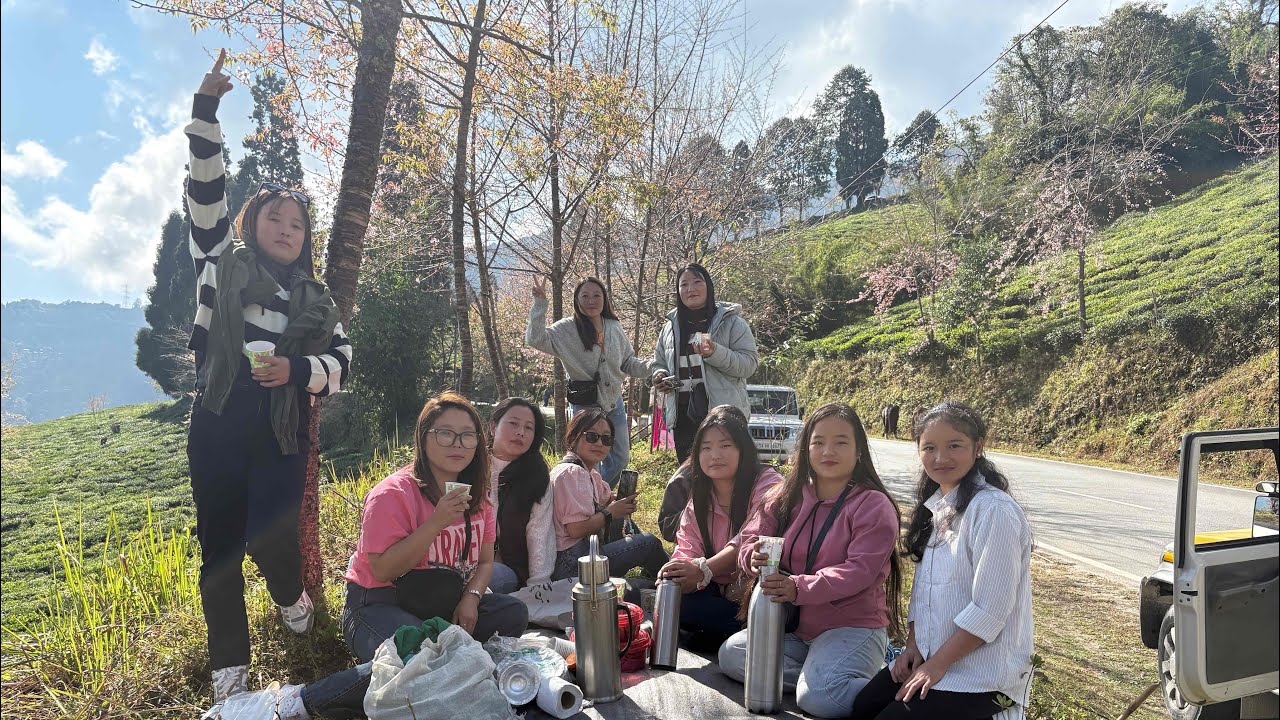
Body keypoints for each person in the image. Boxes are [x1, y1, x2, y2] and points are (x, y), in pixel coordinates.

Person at [184, 50, 353, 704]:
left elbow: (342, 362)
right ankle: (229, 664)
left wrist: (298, 369)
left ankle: (289, 594)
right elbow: (204, 189)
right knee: (221, 545)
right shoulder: (218, 261)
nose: (285, 228)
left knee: (270, 532)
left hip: (282, 426)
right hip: (219, 419)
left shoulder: (315, 299)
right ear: (250, 224)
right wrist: (205, 110)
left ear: (305, 238)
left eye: (296, 223)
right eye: (273, 218)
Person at [265, 392, 530, 719]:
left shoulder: (479, 500)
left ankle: (454, 663)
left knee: (513, 613)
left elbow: (486, 561)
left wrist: (472, 599)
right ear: (424, 436)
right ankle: (301, 701)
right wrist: (436, 522)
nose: (457, 443)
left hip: (442, 605)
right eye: (445, 433)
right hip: (377, 603)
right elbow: (383, 569)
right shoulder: (393, 494)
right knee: (420, 656)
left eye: (467, 435)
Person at [850, 402, 1033, 720]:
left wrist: (936, 665)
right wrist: (913, 647)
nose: (940, 458)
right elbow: (925, 593)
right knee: (864, 706)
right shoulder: (938, 508)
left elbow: (990, 610)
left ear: (978, 447)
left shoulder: (993, 511)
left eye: (954, 446)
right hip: (935, 660)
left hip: (984, 678)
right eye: (929, 447)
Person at [718, 403, 902, 719]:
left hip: (852, 626)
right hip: (796, 627)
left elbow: (859, 572)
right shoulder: (784, 495)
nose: (828, 450)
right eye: (818, 442)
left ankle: (895, 684)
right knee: (732, 656)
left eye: (841, 442)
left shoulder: (873, 505)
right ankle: (824, 674)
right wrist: (754, 558)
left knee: (820, 699)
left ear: (859, 449)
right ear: (805, 449)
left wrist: (797, 587)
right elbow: (749, 542)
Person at [659, 405, 782, 648]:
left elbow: (751, 538)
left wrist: (704, 569)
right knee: (670, 599)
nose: (715, 454)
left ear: (742, 449)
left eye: (725, 445)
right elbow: (687, 545)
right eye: (706, 447)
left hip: (757, 587)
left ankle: (745, 634)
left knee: (762, 605)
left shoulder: (769, 483)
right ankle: (731, 634)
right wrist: (677, 573)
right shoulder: (700, 499)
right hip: (715, 589)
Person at [526, 275, 654, 487]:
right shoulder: (566, 329)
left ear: (604, 299)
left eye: (596, 295)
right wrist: (540, 304)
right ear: (576, 300)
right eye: (585, 296)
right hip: (585, 406)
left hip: (614, 403)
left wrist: (653, 366)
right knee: (586, 459)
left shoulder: (613, 326)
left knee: (621, 458)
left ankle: (597, 495)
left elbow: (628, 362)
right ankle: (586, 499)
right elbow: (535, 338)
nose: (591, 300)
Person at [650, 263, 759, 462]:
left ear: (708, 286)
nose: (690, 289)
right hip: (683, 417)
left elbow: (749, 365)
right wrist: (660, 376)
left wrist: (714, 352)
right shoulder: (669, 328)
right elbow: (659, 363)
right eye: (684, 284)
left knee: (726, 475)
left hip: (723, 416)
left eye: (697, 282)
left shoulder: (732, 322)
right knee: (690, 479)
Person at [549, 407, 669, 581]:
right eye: (592, 436)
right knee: (648, 543)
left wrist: (618, 505)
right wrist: (611, 511)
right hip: (572, 564)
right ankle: (677, 583)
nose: (599, 444)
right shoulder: (572, 473)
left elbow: (605, 501)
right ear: (573, 437)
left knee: (620, 520)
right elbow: (575, 530)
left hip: (579, 554)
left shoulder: (587, 472)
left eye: (606, 439)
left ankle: (657, 573)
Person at [486, 397, 556, 593]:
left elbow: (540, 533)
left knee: (488, 579)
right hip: (461, 565)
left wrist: (538, 584)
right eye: (513, 423)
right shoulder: (471, 466)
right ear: (493, 427)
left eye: (528, 428)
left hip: (506, 570)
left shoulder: (537, 478)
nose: (520, 432)